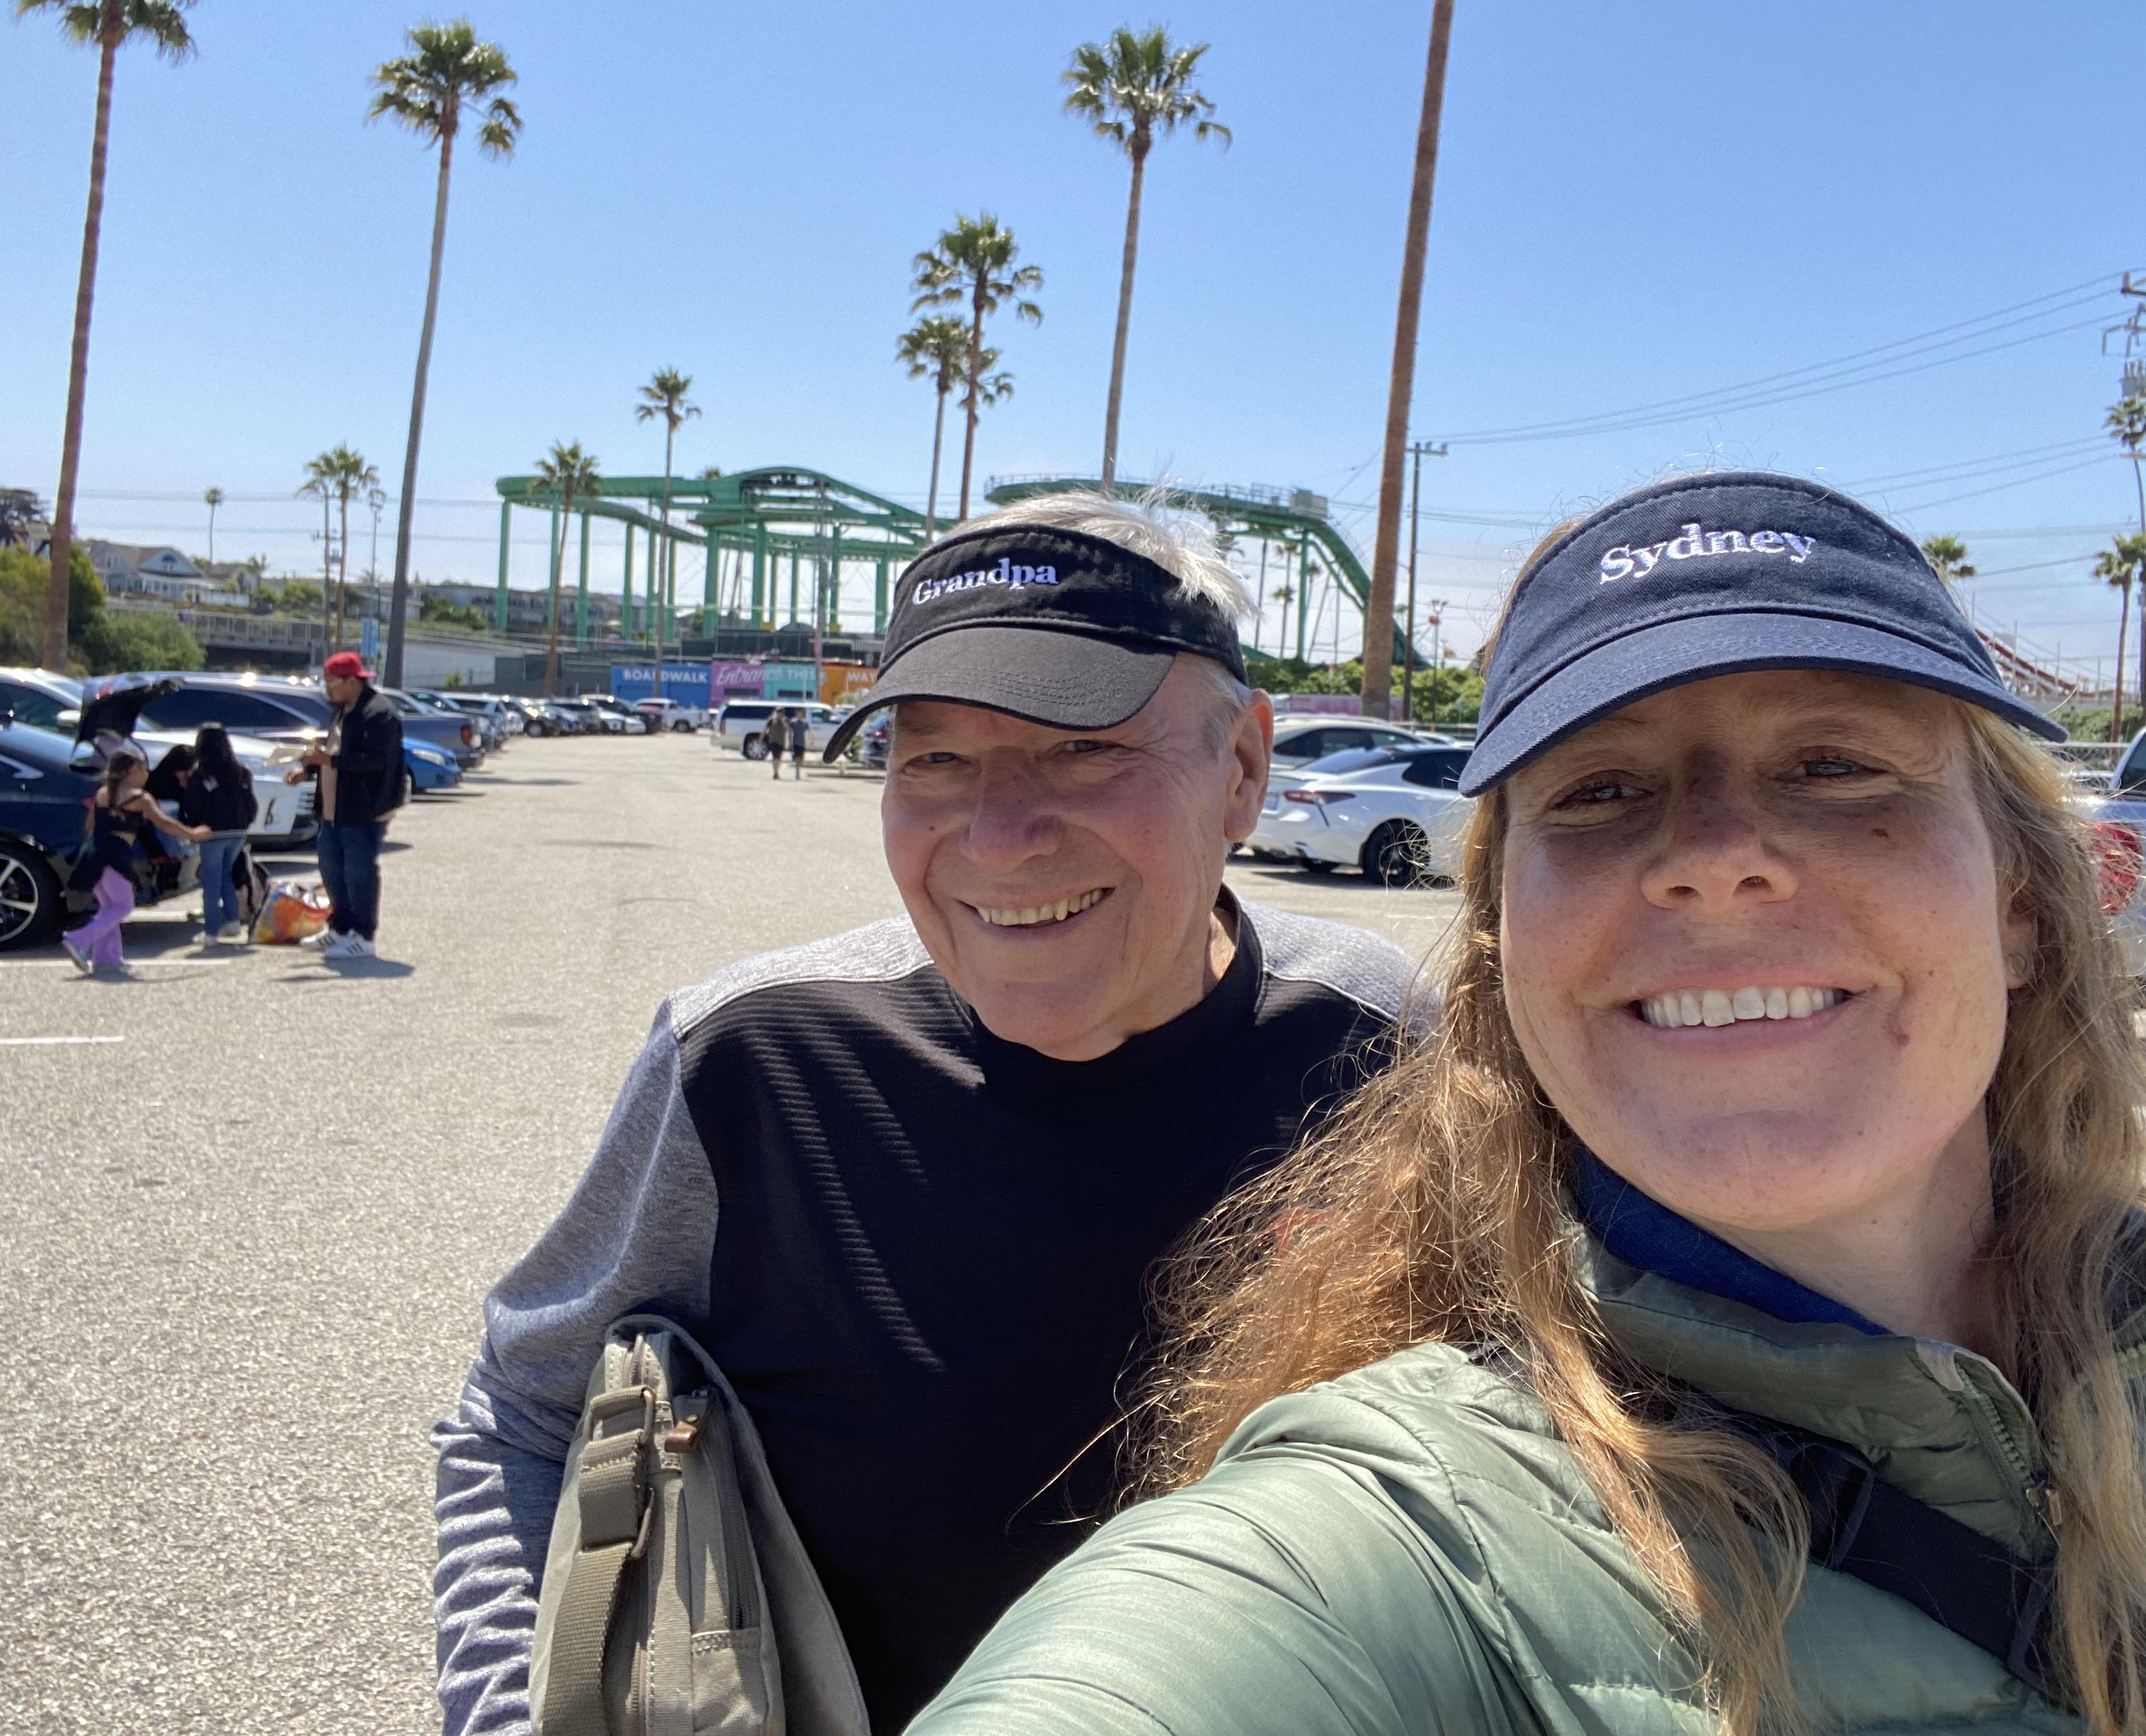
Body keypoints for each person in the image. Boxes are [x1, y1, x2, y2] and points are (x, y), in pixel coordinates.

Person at [909, 472, 2146, 1736]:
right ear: (1505, 957)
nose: (1713, 858)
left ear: (2022, 905)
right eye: (1603, 791)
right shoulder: (1385, 1551)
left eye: (1833, 765)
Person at [433, 496, 1416, 1736]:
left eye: (1083, 747)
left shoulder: (1385, 1044)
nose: (997, 839)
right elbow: (523, 1406)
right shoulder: (757, 1058)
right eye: (934, 759)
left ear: (1242, 771)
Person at [285, 650, 402, 961]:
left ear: (353, 681)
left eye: (332, 682)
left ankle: (363, 937)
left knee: (358, 873)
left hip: (363, 809)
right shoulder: (342, 711)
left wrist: (330, 760)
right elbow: (332, 751)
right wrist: (308, 770)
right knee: (331, 870)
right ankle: (340, 928)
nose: (328, 689)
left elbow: (375, 761)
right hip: (332, 810)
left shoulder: (379, 713)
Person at [65, 745, 208, 976]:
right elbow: (164, 823)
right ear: (131, 772)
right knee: (123, 906)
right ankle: (78, 939)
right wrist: (193, 834)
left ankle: (108, 959)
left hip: (93, 853)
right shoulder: (140, 798)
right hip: (115, 855)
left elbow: (90, 824)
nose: (147, 774)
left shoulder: (102, 794)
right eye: (144, 769)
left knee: (109, 908)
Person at [179, 723, 258, 946]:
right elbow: (251, 804)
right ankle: (232, 921)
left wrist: (192, 825)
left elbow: (194, 804)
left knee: (211, 881)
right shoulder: (241, 772)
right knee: (225, 875)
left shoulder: (201, 773)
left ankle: (211, 931)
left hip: (212, 831)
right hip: (238, 830)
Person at [762, 702, 788, 779]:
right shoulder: (771, 720)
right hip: (773, 741)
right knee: (775, 758)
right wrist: (761, 738)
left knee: (779, 759)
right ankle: (776, 773)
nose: (780, 714)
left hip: (782, 742)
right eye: (779, 712)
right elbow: (765, 730)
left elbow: (787, 729)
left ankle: (776, 772)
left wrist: (782, 721)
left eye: (781, 712)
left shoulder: (785, 720)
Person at [786, 702, 810, 779]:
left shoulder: (805, 723)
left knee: (801, 760)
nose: (799, 714)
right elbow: (789, 731)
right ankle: (797, 773)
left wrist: (810, 740)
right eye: (798, 712)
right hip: (796, 743)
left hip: (803, 743)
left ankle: (799, 771)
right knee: (797, 758)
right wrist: (789, 742)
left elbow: (808, 732)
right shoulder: (793, 722)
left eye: (801, 712)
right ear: (796, 713)